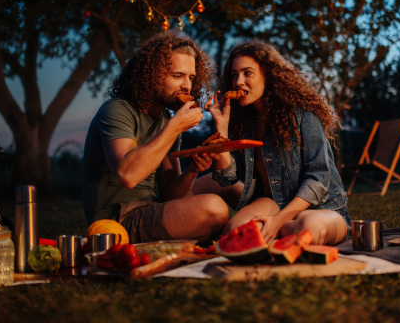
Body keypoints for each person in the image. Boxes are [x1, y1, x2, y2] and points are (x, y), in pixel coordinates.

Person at [82, 32, 240, 243]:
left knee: (228, 184)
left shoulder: (165, 118)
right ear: (152, 76)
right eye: (178, 76)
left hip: (151, 207)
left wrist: (193, 169)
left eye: (191, 78)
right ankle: (222, 237)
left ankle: (270, 228)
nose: (187, 86)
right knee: (214, 208)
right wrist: (175, 127)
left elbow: (170, 193)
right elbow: (127, 176)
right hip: (115, 220)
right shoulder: (117, 110)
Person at [205, 40, 350, 245]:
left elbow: (319, 179)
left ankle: (280, 230)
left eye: (247, 73)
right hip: (272, 202)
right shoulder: (243, 121)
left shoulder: (302, 112)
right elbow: (228, 179)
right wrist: (221, 125)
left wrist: (278, 221)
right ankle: (279, 233)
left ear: (268, 74)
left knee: (308, 229)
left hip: (319, 207)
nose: (238, 82)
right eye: (234, 74)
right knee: (234, 232)